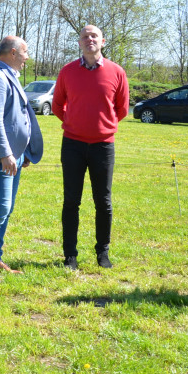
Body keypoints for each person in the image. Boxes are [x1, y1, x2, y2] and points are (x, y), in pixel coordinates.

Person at [52, 24, 129, 269]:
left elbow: (122, 108)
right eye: (85, 37)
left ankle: (102, 253)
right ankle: (70, 256)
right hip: (72, 144)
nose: (89, 40)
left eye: (94, 36)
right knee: (71, 201)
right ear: (79, 43)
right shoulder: (67, 71)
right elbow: (57, 105)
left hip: (103, 146)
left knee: (103, 201)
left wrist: (102, 127)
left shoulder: (117, 72)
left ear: (102, 41)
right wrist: (75, 124)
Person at [0, 37, 44, 281]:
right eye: (25, 52)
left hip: (13, 158)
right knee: (0, 208)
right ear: (13, 53)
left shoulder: (10, 76)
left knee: (6, 209)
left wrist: (22, 152)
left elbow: (17, 118)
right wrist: (5, 153)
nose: (27, 57)